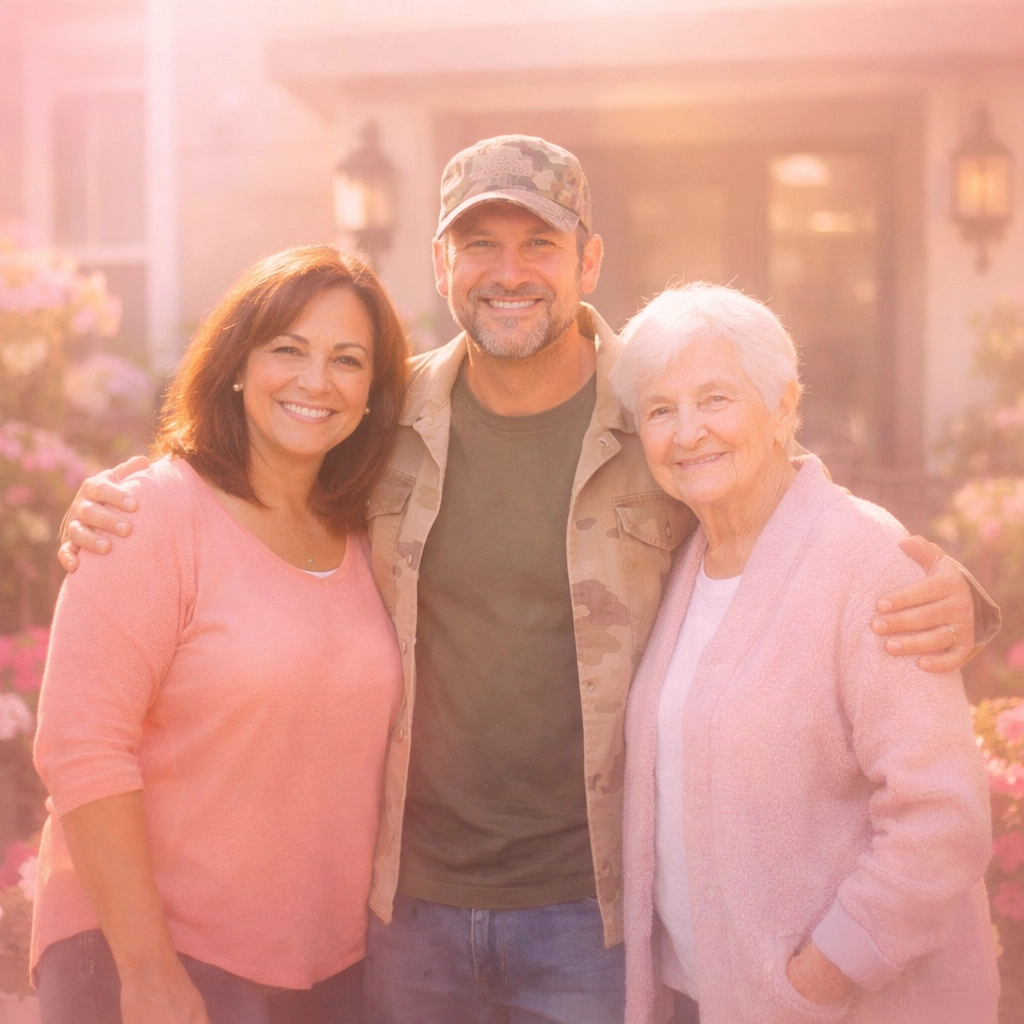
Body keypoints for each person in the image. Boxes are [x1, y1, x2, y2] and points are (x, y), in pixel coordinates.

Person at [58, 137, 997, 1024]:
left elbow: (776, 487)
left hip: (589, 917)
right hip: (402, 911)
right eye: (480, 245)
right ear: (441, 265)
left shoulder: (655, 407)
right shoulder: (378, 420)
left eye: (538, 244)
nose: (509, 272)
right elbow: (262, 488)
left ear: (588, 262)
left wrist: (957, 591)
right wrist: (129, 496)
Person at [33, 246, 408, 1024]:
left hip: (325, 969)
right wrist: (147, 969)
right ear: (237, 363)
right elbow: (80, 743)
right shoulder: (152, 516)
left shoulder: (367, 535)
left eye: (347, 360)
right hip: (154, 961)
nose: (316, 381)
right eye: (288, 350)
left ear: (373, 393)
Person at [614, 283, 999, 1024]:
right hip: (703, 996)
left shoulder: (866, 558)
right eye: (661, 410)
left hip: (831, 1005)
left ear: (784, 407)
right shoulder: (685, 557)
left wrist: (825, 974)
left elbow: (942, 816)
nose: (688, 432)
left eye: (716, 399)